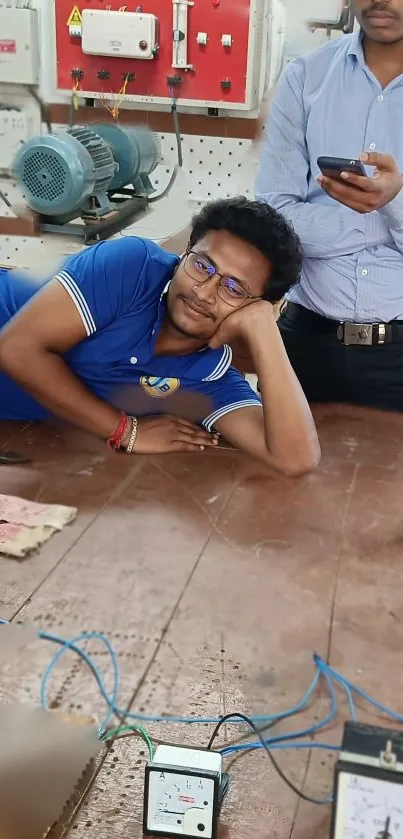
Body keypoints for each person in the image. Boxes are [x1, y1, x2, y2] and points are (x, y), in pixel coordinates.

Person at [0, 197, 320, 476]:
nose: (204, 292)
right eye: (203, 265)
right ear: (183, 255)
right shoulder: (133, 268)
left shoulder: (211, 381)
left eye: (234, 288)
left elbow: (295, 459)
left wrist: (264, 329)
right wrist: (126, 430)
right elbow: (16, 349)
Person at [255, 0, 403, 410]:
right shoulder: (306, 77)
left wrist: (395, 200)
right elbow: (273, 217)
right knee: (276, 474)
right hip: (304, 344)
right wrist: (381, 215)